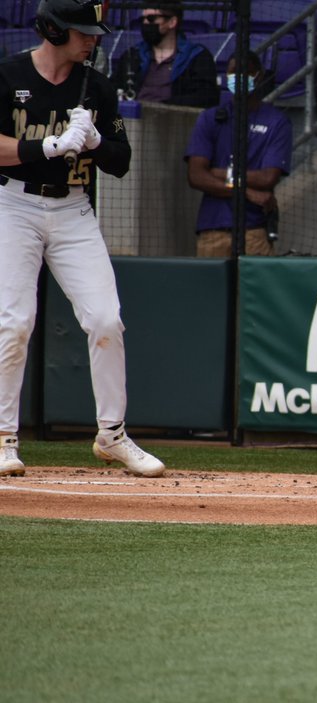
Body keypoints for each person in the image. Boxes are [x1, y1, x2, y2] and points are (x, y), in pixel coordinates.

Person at [0, 0, 164, 478]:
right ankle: (5, 439)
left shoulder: (98, 87)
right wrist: (47, 145)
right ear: (53, 31)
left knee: (106, 320)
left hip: (73, 209)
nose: (92, 39)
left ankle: (112, 435)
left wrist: (94, 141)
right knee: (15, 323)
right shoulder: (8, 76)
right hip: (14, 205)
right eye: (82, 32)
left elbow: (121, 161)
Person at [184, 51, 292, 257]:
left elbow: (267, 177)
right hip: (212, 229)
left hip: (254, 230)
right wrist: (245, 192)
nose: (238, 78)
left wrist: (217, 173)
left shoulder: (276, 122)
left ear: (258, 76)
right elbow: (196, 175)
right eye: (233, 73)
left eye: (245, 73)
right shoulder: (210, 118)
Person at [111, 4, 219, 108]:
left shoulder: (197, 56)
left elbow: (206, 97)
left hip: (177, 121)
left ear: (172, 22)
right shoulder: (132, 55)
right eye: (143, 19)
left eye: (151, 19)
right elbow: (112, 89)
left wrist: (167, 105)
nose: (145, 23)